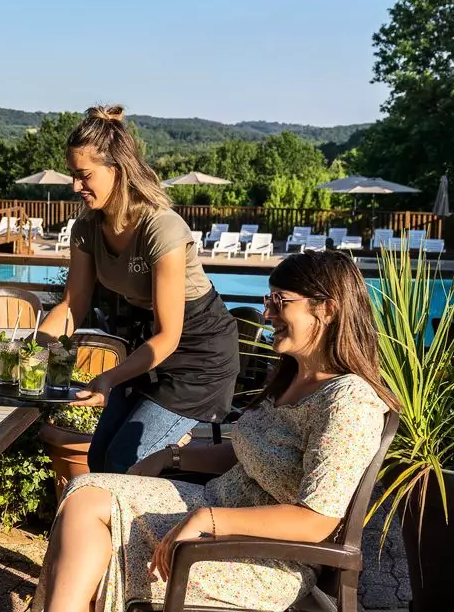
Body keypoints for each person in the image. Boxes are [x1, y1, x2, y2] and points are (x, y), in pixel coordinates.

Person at [34, 250, 397, 612]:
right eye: (267, 300)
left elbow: (317, 520)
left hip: (262, 555)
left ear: (328, 309)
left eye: (280, 301)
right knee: (85, 492)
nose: (267, 314)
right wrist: (173, 455)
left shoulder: (349, 403)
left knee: (90, 518)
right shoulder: (294, 376)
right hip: (219, 507)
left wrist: (208, 519)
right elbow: (253, 453)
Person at [36, 105, 239, 474]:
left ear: (118, 170)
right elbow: (72, 305)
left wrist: (110, 378)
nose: (74, 186)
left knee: (123, 462)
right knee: (99, 461)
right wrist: (36, 355)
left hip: (199, 356)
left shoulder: (161, 228)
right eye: (72, 175)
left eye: (84, 175)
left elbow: (169, 335)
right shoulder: (87, 228)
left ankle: (158, 527)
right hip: (147, 349)